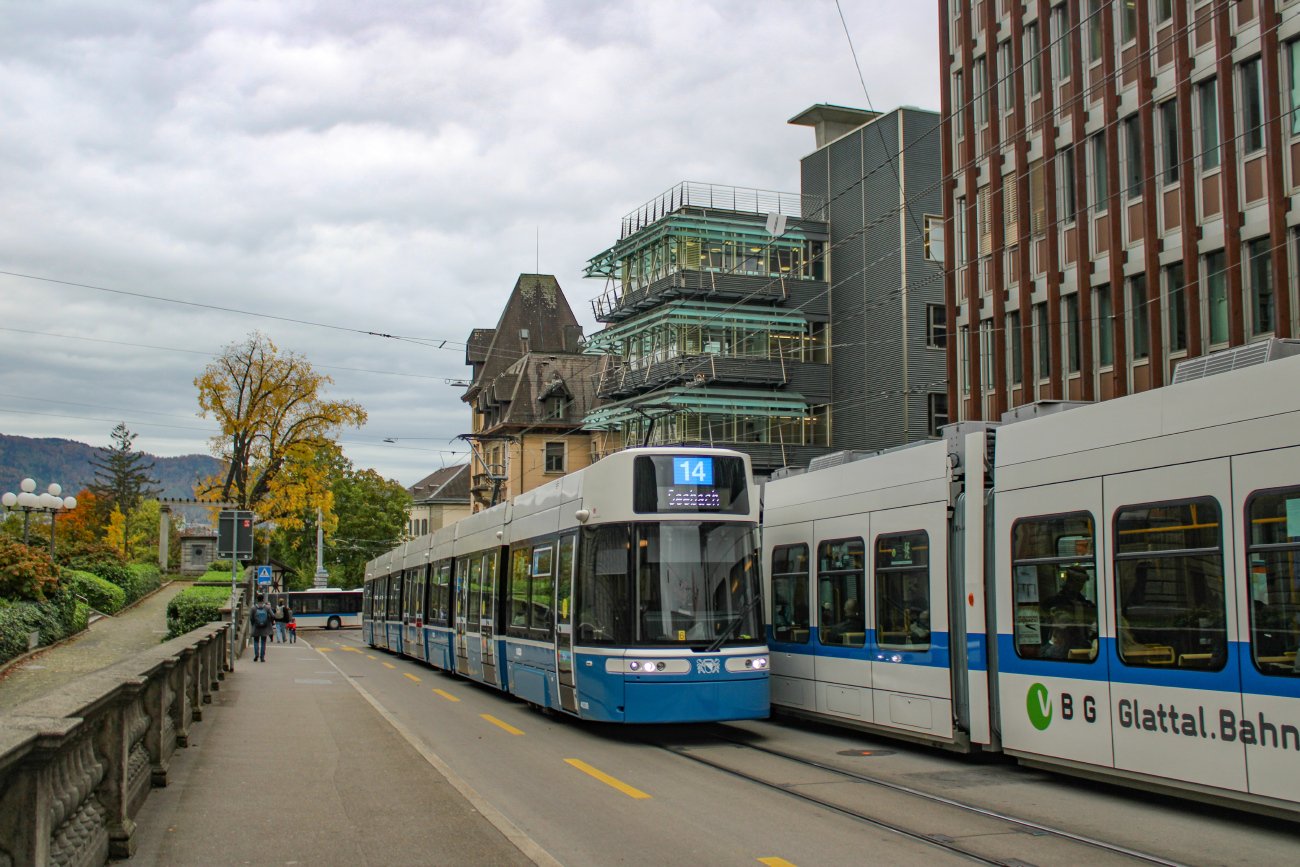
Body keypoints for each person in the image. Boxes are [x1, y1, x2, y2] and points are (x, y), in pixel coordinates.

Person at [250, 593, 275, 662]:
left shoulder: (253, 608)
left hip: (256, 626)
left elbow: (251, 618)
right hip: (265, 626)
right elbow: (272, 615)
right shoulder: (267, 607)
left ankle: (256, 654)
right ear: (263, 599)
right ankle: (262, 657)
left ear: (257, 599)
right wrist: (269, 621)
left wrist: (253, 624)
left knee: (256, 641)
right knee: (263, 641)